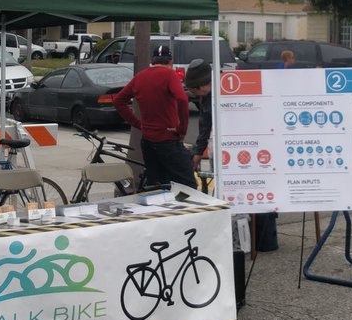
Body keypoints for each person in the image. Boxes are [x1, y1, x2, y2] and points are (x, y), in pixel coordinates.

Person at [184, 59, 278, 251]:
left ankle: (259, 237)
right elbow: (205, 127)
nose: (193, 94)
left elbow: (208, 125)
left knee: (251, 192)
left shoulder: (226, 91)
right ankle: (247, 236)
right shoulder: (210, 95)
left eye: (194, 90)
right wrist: (197, 152)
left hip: (249, 150)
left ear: (203, 85)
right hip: (233, 151)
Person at [113, 44, 195, 189]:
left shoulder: (140, 76)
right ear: (170, 61)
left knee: (156, 186)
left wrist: (138, 124)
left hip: (148, 141)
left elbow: (119, 100)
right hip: (168, 139)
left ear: (153, 60)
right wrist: (181, 129)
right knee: (188, 185)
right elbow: (182, 99)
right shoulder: (170, 75)